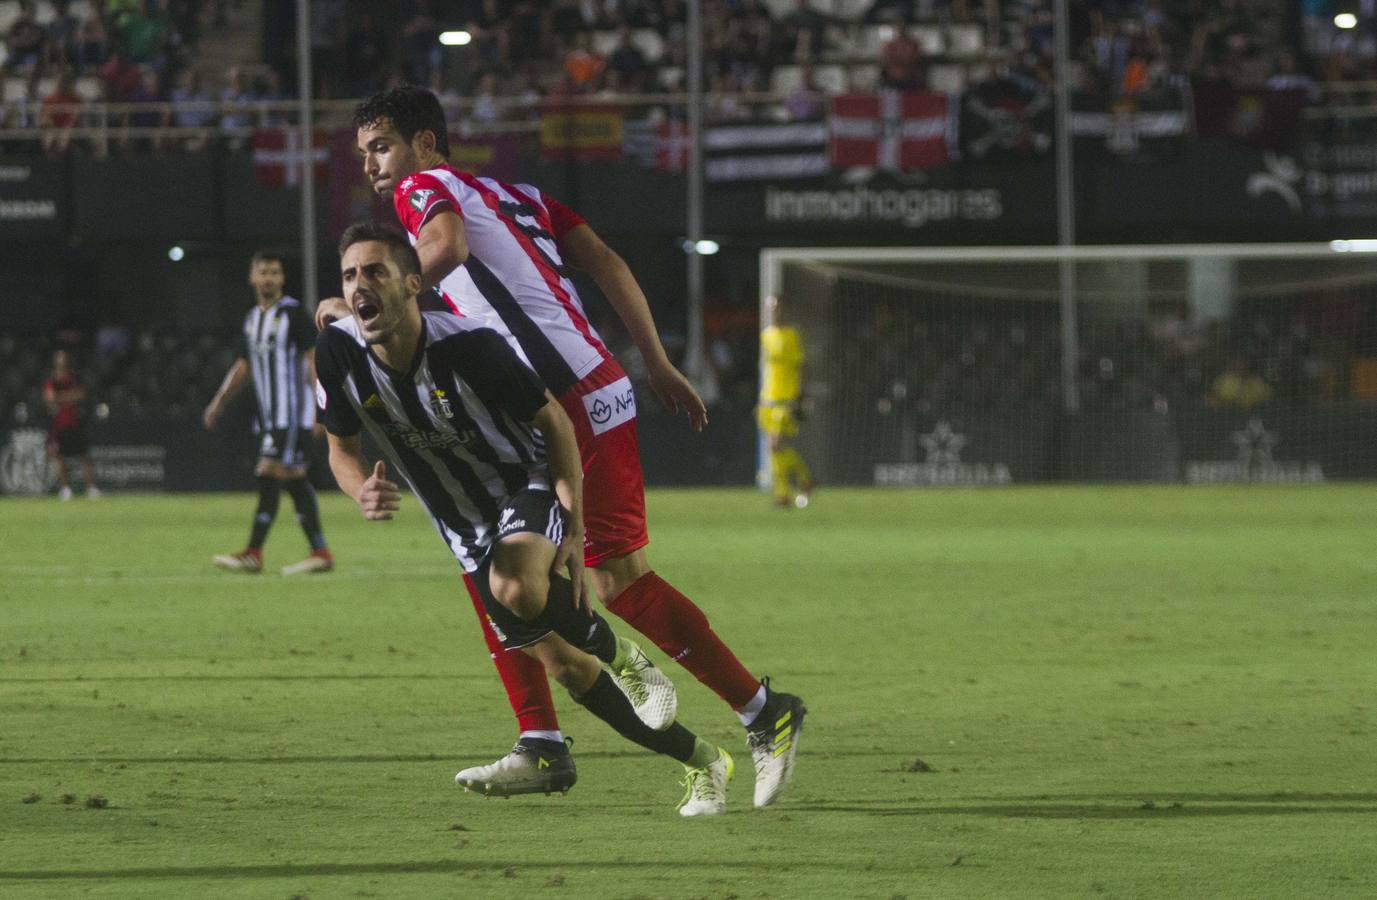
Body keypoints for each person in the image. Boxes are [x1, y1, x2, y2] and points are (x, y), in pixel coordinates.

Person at [320, 86, 805, 807]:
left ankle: (762, 711)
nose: (372, 165)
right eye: (363, 153)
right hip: (576, 384)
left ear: (425, 143)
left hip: (560, 400)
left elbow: (446, 247)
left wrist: (381, 300)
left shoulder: (425, 189)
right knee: (490, 549)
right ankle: (541, 738)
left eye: (382, 146)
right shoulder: (516, 196)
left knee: (612, 582)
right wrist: (656, 360)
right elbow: (606, 261)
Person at [317, 223, 731, 816]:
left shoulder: (470, 346)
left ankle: (627, 659)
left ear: (413, 284)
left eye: (375, 271)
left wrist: (575, 523)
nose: (360, 284)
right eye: (350, 276)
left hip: (528, 480)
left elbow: (554, 422)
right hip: (462, 525)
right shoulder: (337, 353)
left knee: (514, 584)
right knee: (566, 667)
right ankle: (703, 761)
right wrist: (361, 491)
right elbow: (340, 449)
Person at [203, 251, 333, 576]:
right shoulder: (251, 319)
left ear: (282, 278)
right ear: (252, 277)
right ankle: (319, 551)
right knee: (293, 479)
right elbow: (243, 366)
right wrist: (218, 402)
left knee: (267, 472)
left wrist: (321, 408)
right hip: (269, 418)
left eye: (274, 272)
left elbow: (312, 361)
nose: (269, 278)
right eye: (263, 272)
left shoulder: (293, 314)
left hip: (291, 416)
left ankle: (253, 552)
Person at [758, 294, 813, 509]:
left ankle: (801, 480)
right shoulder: (766, 335)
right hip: (768, 398)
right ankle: (788, 491)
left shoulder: (792, 335)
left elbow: (801, 367)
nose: (774, 313)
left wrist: (800, 396)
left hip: (786, 398)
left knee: (775, 444)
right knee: (773, 448)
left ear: (784, 310)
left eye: (777, 308)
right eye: (770, 309)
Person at [43, 349, 100, 501]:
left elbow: (81, 394)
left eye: (64, 359)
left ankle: (91, 488)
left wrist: (60, 398)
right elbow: (49, 398)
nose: (62, 362)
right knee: (59, 458)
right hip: (58, 426)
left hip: (76, 423)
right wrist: (69, 397)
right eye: (59, 359)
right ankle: (65, 489)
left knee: (84, 456)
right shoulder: (52, 380)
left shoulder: (76, 378)